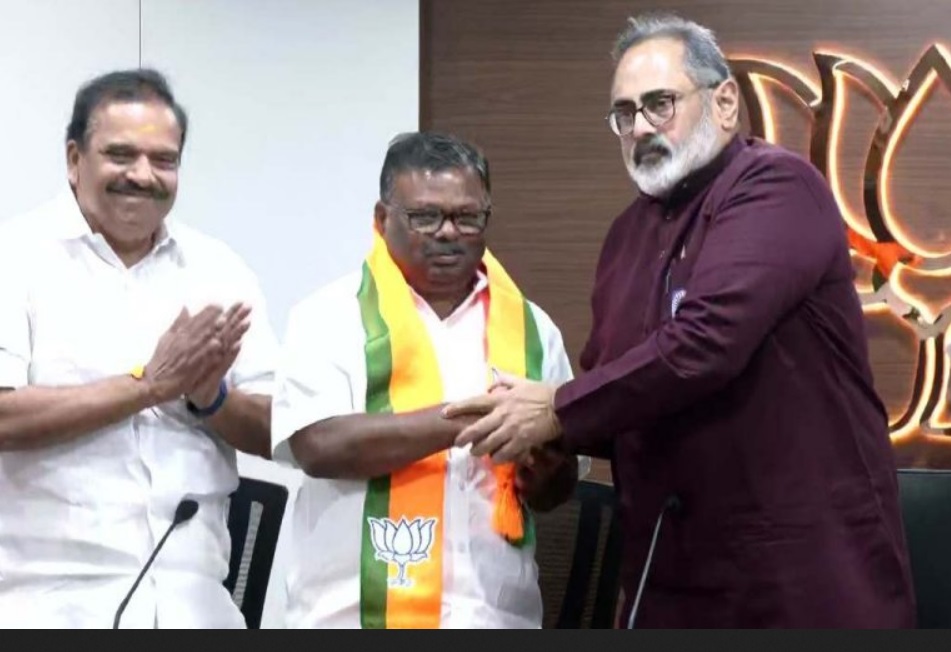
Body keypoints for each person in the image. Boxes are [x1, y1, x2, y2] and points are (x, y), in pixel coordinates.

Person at [443, 13, 917, 628]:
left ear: (725, 103)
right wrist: (550, 445)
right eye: (624, 114)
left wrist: (556, 409)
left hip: (799, 571)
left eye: (660, 104)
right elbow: (624, 392)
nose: (641, 127)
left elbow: (705, 343)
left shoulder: (777, 188)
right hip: (669, 572)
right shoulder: (626, 236)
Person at [0, 69, 277, 628]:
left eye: (164, 160)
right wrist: (146, 386)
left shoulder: (218, 268)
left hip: (195, 602)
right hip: (48, 600)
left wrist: (212, 399)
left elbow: (279, 432)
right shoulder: (17, 256)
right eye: (121, 155)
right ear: (74, 159)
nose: (143, 175)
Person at [271, 131, 582, 628]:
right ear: (381, 219)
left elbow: (558, 485)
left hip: (494, 616)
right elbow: (319, 446)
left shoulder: (533, 330)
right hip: (352, 617)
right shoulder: (328, 316)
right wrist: (471, 419)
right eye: (424, 217)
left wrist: (544, 471)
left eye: (467, 217)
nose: (447, 232)